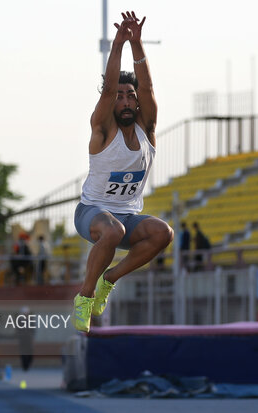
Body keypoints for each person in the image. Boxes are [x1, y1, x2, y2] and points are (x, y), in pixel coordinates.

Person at [72, 11, 174, 333]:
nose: (127, 100)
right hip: (92, 212)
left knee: (163, 233)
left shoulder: (148, 130)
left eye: (131, 96)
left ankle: (109, 279)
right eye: (120, 96)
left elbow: (148, 87)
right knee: (112, 232)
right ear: (112, 104)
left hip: (127, 217)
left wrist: (138, 45)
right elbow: (107, 90)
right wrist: (119, 44)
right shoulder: (102, 130)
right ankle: (84, 298)